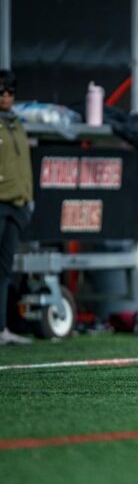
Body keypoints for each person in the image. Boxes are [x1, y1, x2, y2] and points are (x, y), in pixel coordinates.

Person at [0, 70, 33, 345]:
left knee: (4, 268)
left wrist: (27, 198)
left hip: (16, 204)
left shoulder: (15, 122)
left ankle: (2, 329)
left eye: (10, 91)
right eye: (1, 92)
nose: (6, 96)